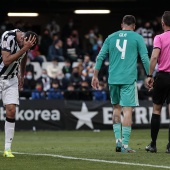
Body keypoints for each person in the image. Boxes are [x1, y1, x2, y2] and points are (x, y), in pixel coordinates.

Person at [91, 15, 150, 153]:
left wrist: (95, 75)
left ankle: (117, 140)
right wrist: (149, 75)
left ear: (121, 24)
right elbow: (145, 58)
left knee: (116, 109)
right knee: (127, 110)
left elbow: (100, 57)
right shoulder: (137, 37)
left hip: (113, 79)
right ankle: (125, 145)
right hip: (128, 79)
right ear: (134, 26)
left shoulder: (111, 37)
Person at [0, 29, 38, 157]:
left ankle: (7, 149)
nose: (27, 49)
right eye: (26, 45)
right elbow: (6, 60)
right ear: (22, 38)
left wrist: (22, 74)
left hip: (11, 79)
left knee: (11, 110)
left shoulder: (27, 42)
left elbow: (24, 55)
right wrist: (24, 48)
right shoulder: (8, 36)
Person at [145, 11, 170, 153]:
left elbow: (154, 57)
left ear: (162, 23)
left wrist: (149, 75)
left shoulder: (159, 37)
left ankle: (153, 144)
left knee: (156, 109)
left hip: (162, 76)